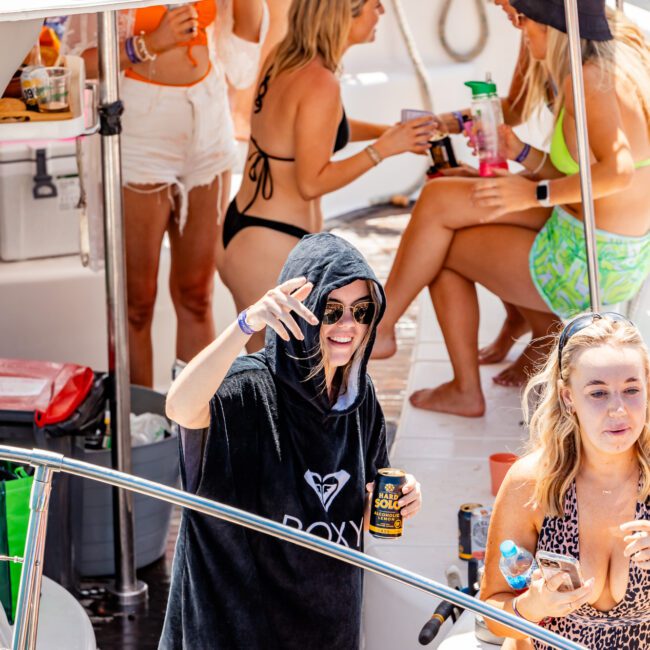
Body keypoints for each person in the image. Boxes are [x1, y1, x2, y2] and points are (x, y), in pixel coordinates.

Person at [373, 0, 650, 417]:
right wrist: (518, 153)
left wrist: (530, 194)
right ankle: (390, 326)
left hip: (593, 258)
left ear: (549, 22)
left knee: (440, 251)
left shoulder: (588, 79)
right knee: (445, 193)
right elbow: (574, 169)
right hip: (588, 231)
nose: (514, 22)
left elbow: (618, 171)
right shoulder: (587, 61)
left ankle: (450, 377)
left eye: (521, 17)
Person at [160, 233, 422, 649]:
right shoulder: (246, 388)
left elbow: (364, 499)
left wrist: (401, 496)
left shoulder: (361, 396)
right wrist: (244, 325)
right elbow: (180, 407)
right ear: (300, 312)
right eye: (331, 311)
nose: (348, 326)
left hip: (329, 633)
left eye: (362, 310)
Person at [63, 1, 269, 386]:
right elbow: (77, 63)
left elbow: (242, 58)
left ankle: (194, 425)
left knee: (197, 294)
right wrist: (149, 45)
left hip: (208, 127)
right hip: (140, 132)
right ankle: (143, 424)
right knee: (137, 304)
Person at [217, 0, 437, 352]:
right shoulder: (320, 81)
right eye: (373, 4)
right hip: (270, 244)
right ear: (343, 14)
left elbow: (318, 129)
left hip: (244, 231)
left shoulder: (286, 57)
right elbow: (311, 183)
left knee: (277, 380)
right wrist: (384, 148)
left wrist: (395, 133)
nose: (381, 10)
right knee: (290, 385)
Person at [481, 312, 650, 648]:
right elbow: (491, 611)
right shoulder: (531, 482)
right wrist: (531, 607)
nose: (618, 409)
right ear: (568, 396)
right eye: (598, 393)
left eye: (631, 389)